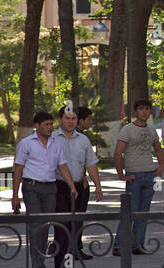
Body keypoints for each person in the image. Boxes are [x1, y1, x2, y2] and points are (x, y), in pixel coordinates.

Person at [12, 111, 77, 268]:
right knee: (36, 226)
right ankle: (37, 264)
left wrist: (72, 186)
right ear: (37, 126)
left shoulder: (55, 144)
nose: (50, 127)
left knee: (46, 225)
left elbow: (62, 166)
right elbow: (18, 169)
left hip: (50, 189)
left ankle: (40, 261)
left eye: (51, 124)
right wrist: (15, 195)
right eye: (46, 124)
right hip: (32, 187)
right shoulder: (26, 143)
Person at [52, 106, 103, 267]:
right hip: (59, 187)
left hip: (78, 187)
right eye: (67, 118)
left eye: (73, 118)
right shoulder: (52, 138)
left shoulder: (83, 140)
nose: (70, 122)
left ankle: (72, 256)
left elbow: (91, 164)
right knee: (62, 226)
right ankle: (60, 263)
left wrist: (98, 185)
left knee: (75, 224)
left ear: (77, 120)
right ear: (60, 120)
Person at [113, 99, 164, 256]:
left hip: (150, 174)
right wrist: (121, 175)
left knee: (143, 213)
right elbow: (118, 153)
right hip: (134, 176)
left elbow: (158, 149)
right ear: (136, 111)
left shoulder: (152, 130)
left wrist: (161, 166)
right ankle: (119, 245)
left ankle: (138, 245)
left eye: (147, 109)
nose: (144, 112)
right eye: (141, 109)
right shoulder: (127, 129)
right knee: (130, 211)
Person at [74, 106, 95, 260]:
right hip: (77, 183)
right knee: (76, 216)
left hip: (77, 181)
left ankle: (68, 246)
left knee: (75, 217)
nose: (91, 122)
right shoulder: (77, 137)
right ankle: (75, 248)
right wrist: (83, 178)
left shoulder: (80, 136)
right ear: (80, 120)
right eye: (89, 119)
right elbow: (74, 159)